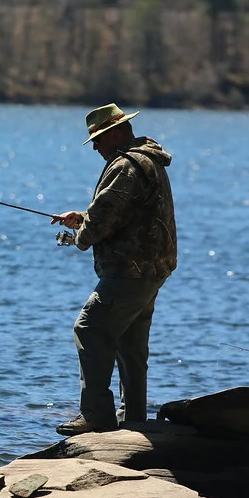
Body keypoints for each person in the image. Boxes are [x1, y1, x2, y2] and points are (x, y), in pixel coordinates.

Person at [50, 103, 177, 435]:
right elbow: (119, 212)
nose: (95, 146)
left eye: (99, 138)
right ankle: (133, 417)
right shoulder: (146, 160)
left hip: (129, 270)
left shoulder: (126, 165)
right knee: (130, 343)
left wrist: (81, 234)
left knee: (89, 329)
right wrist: (85, 218)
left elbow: (104, 216)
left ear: (118, 132)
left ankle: (96, 415)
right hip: (151, 269)